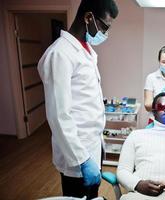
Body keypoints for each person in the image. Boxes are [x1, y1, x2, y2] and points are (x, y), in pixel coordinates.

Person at [37, 0, 118, 199]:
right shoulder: (60, 54)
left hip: (92, 145)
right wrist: (82, 159)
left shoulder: (86, 50)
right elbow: (58, 115)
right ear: (88, 17)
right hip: (77, 152)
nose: (105, 34)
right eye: (104, 27)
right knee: (77, 196)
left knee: (92, 195)